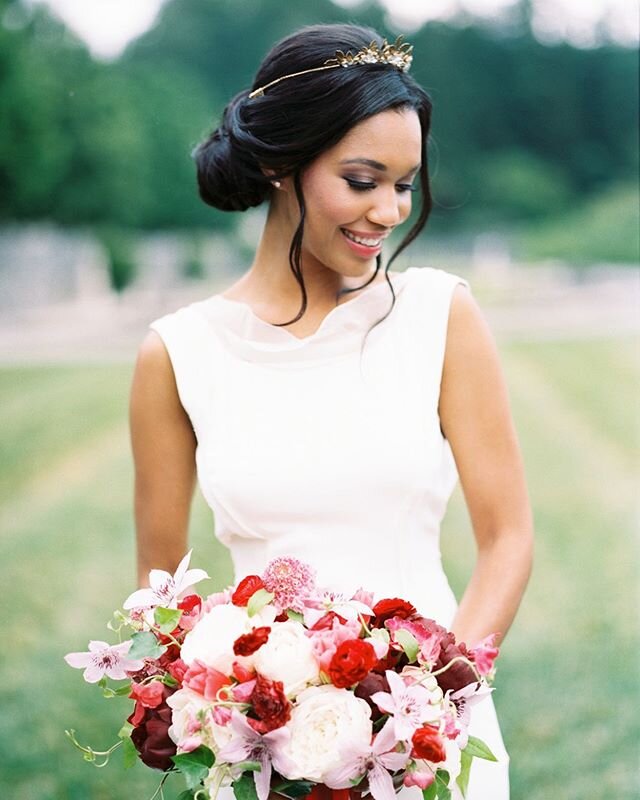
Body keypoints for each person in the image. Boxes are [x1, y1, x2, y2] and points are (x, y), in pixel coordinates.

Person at [129, 23, 533, 800]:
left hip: (431, 748)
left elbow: (508, 537)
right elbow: (162, 597)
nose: (387, 211)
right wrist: (239, 725)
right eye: (362, 179)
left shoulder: (437, 315)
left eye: (405, 184)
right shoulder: (176, 354)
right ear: (282, 163)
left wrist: (421, 708)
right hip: (267, 763)